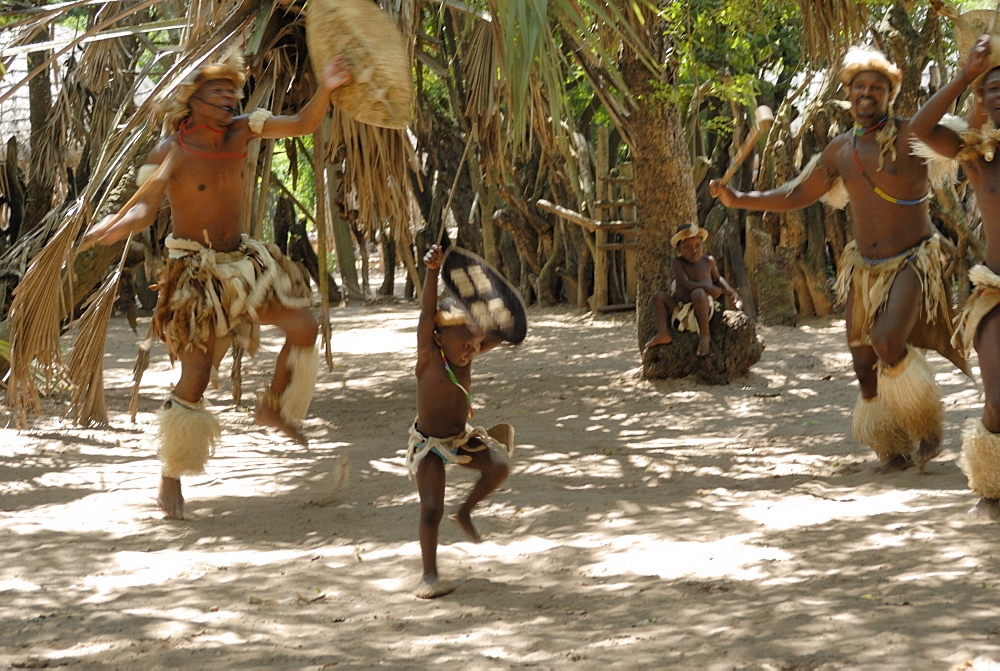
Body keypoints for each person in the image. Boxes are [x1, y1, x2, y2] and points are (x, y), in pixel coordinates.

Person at [79, 54, 352, 519]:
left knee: (304, 325)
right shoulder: (170, 151)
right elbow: (144, 209)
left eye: (233, 92)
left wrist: (326, 86)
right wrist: (113, 226)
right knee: (196, 376)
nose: (230, 100)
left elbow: (304, 123)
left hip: (243, 263)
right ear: (193, 101)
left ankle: (273, 407)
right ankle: (170, 478)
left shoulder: (244, 130)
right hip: (194, 273)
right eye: (219, 93)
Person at [709, 46, 967, 475]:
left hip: (914, 261)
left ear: (890, 95)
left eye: (877, 88)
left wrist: (967, 78)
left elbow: (966, 146)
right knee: (863, 365)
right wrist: (740, 199)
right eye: (859, 87)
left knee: (887, 343)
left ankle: (927, 427)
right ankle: (894, 447)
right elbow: (797, 194)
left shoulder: (912, 137)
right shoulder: (839, 150)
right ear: (847, 94)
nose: (867, 94)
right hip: (863, 266)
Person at [909, 33, 1000, 518]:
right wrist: (966, 73)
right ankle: (991, 484)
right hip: (994, 291)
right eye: (992, 89)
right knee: (999, 399)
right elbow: (922, 129)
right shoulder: (978, 158)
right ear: (980, 101)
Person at [408, 243, 514, 598]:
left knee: (498, 466)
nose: (472, 351)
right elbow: (426, 315)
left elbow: (504, 330)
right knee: (431, 509)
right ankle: (428, 575)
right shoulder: (429, 356)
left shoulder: (468, 350)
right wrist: (433, 271)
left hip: (460, 437)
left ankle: (465, 512)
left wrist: (502, 309)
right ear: (439, 337)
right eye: (465, 344)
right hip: (429, 446)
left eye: (476, 344)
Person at [644, 223, 740, 356]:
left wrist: (732, 292)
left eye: (697, 246)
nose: (694, 250)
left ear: (703, 244)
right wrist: (709, 287)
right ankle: (663, 333)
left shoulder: (708, 261)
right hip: (680, 310)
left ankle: (705, 335)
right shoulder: (678, 263)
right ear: (679, 250)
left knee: (699, 293)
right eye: (687, 247)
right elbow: (685, 283)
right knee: (658, 296)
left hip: (702, 308)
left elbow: (718, 279)